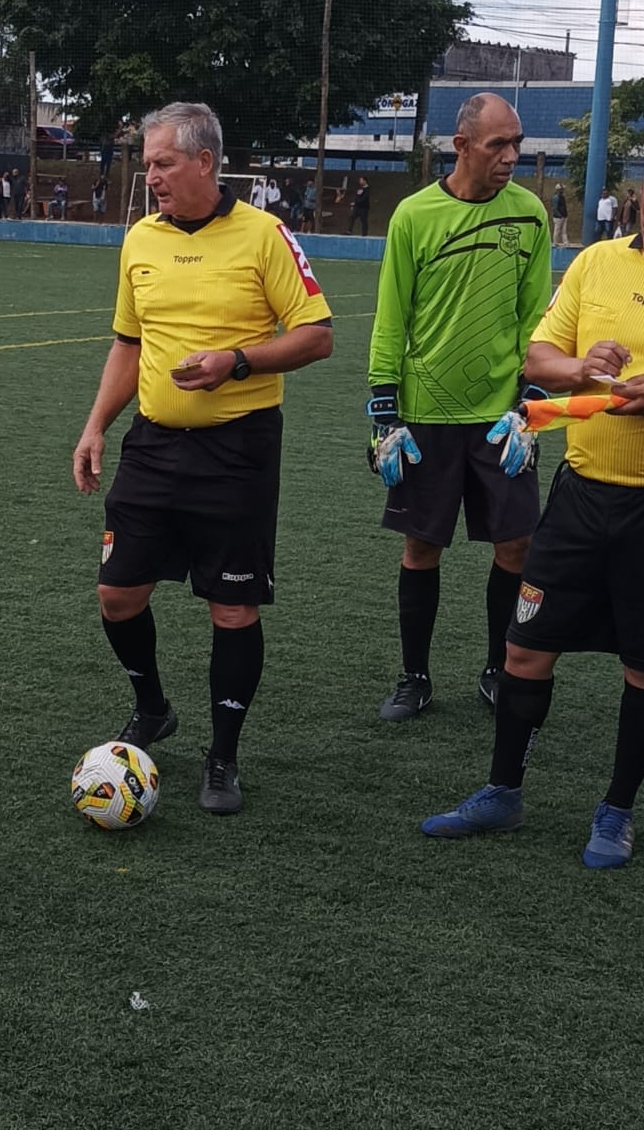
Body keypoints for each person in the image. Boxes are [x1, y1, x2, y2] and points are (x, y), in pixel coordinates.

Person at [421, 154, 644, 868]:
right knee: (524, 649)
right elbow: (536, 355)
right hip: (579, 495)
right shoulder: (596, 264)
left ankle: (616, 811)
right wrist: (576, 367)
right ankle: (502, 790)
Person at [71, 101, 333, 815]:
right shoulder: (140, 241)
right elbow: (128, 342)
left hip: (237, 450)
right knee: (116, 593)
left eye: (161, 162)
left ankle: (223, 756)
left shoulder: (265, 236)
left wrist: (237, 362)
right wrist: (96, 425)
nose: (149, 175)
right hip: (152, 447)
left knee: (231, 607)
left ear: (205, 162)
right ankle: (151, 707)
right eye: (146, 162)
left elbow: (316, 335)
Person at [367, 93, 550, 722]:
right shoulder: (414, 216)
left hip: (502, 418)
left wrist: (533, 403)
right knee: (421, 549)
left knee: (516, 548)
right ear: (461, 145)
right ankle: (413, 676)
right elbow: (392, 317)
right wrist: (383, 414)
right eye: (498, 144)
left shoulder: (530, 214)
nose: (511, 156)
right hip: (426, 417)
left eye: (517, 143)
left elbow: (538, 319)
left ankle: (499, 669)